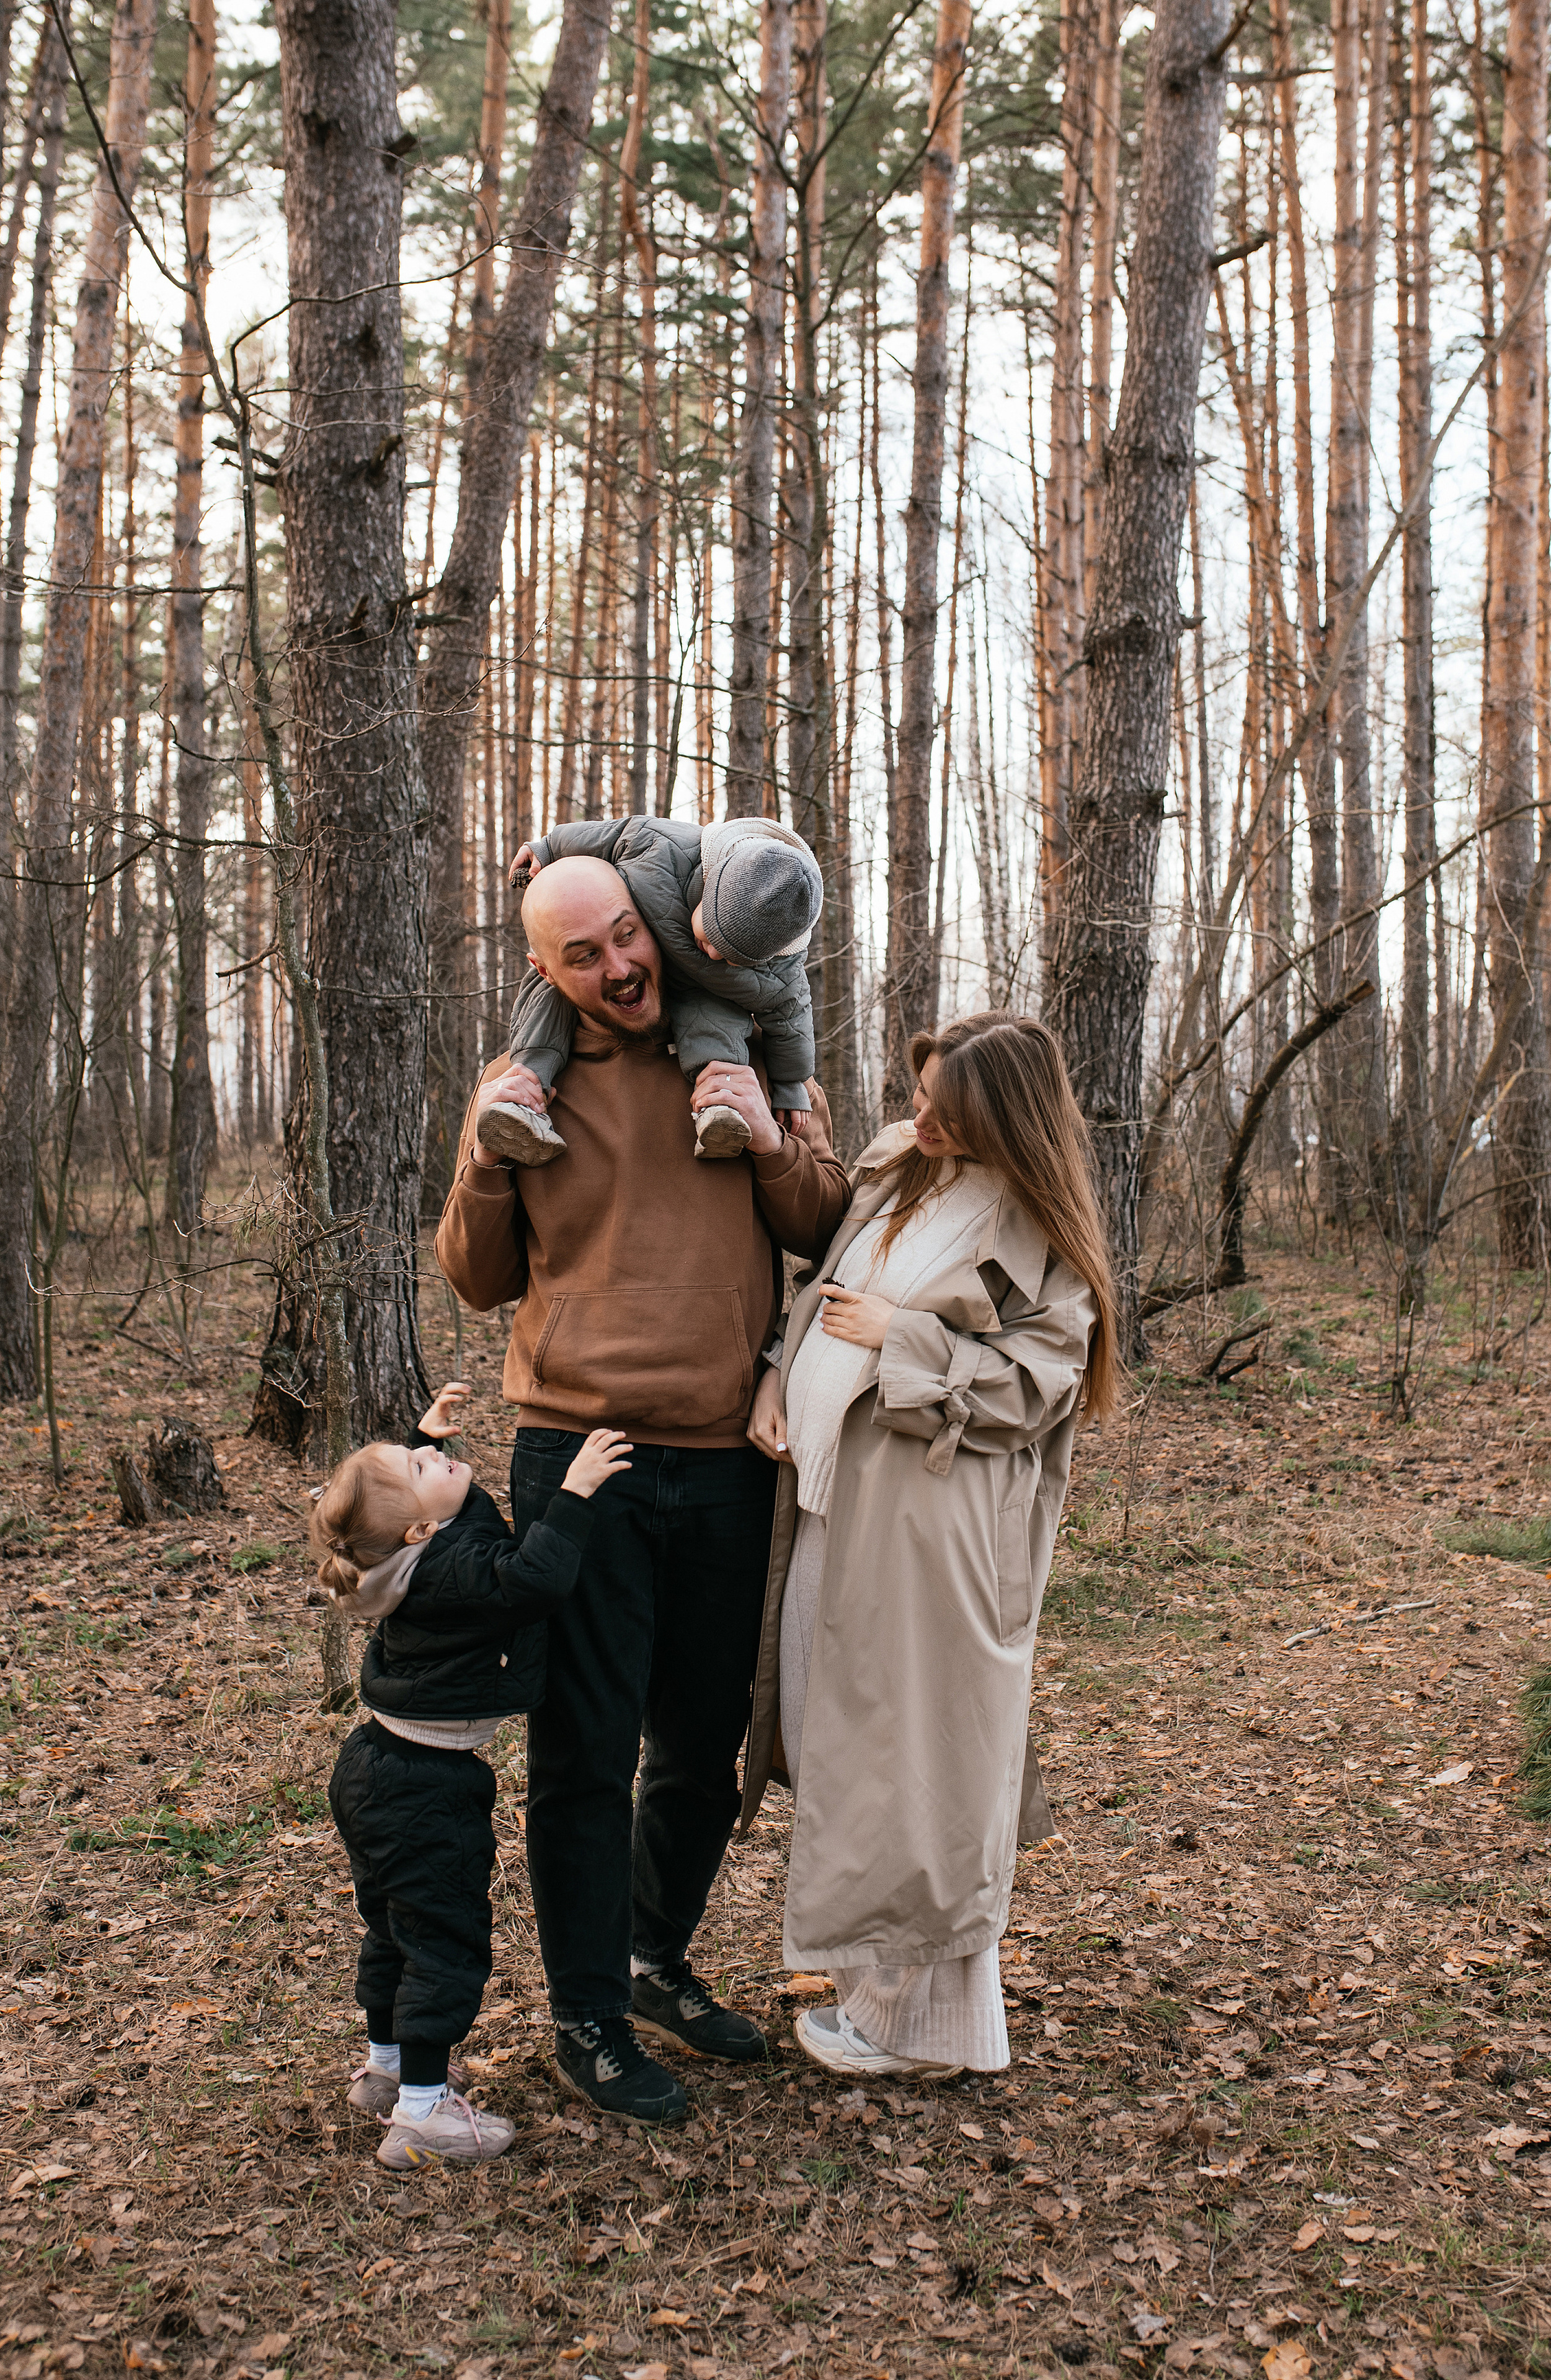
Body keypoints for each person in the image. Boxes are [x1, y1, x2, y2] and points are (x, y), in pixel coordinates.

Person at [436, 855, 851, 2123]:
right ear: (542, 970)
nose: (617, 967)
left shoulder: (745, 1045)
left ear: (653, 927)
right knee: (582, 1746)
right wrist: (491, 1155)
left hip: (726, 1454)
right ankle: (584, 2015)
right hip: (576, 1456)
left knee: (701, 1736)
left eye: (627, 935)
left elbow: (821, 1222)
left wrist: (768, 1124)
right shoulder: (526, 1085)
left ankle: (651, 1955)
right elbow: (472, 1274)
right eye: (582, 955)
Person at [740, 1011, 1118, 2079]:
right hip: (832, 1506)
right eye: (920, 1097)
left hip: (931, 1532)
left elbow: (1038, 1385)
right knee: (833, 1740)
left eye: (945, 1109)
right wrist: (781, 1369)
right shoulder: (902, 1171)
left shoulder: (1037, 1226)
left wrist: (901, 1339)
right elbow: (826, 1284)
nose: (921, 1117)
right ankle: (878, 1980)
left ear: (1002, 1116)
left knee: (921, 1764)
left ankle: (928, 2025)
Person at [312, 1376, 633, 2167]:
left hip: (377, 1768)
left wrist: (437, 1442)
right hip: (424, 1787)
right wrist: (574, 1492)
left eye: (417, 1449)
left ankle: (386, 2072)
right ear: (419, 1525)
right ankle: (423, 2115)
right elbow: (530, 1578)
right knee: (444, 1944)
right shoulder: (444, 1569)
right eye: (419, 1462)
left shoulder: (401, 1561)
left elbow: (447, 1526)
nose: (427, 1453)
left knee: (395, 1928)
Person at [483, 812, 821, 1165]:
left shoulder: (780, 976)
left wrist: (790, 1086)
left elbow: (793, 1021)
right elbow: (610, 835)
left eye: (734, 955)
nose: (714, 953)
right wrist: (547, 848)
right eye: (712, 932)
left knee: (716, 1019)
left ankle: (720, 1107)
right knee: (548, 998)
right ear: (712, 884)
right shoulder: (663, 849)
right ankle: (526, 1091)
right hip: (652, 964)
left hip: (702, 994)